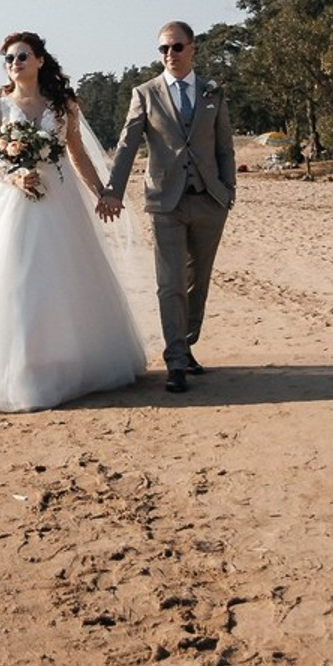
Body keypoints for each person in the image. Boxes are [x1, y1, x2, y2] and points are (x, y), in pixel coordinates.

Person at [0, 32, 148, 412]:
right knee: (16, 281)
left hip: (60, 201)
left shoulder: (63, 106)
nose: (14, 63)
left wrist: (101, 191)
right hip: (13, 204)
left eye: (21, 56)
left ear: (40, 60)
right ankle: (23, 368)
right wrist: (14, 177)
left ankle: (72, 363)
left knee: (64, 279)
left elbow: (77, 154)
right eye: (8, 59)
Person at [99, 20, 236, 394]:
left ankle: (186, 344)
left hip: (209, 200)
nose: (169, 55)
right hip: (166, 202)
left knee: (197, 282)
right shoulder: (145, 93)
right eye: (163, 49)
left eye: (176, 47)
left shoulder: (213, 91)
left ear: (192, 48)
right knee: (169, 283)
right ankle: (175, 361)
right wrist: (112, 190)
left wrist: (228, 190)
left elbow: (224, 146)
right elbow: (127, 146)